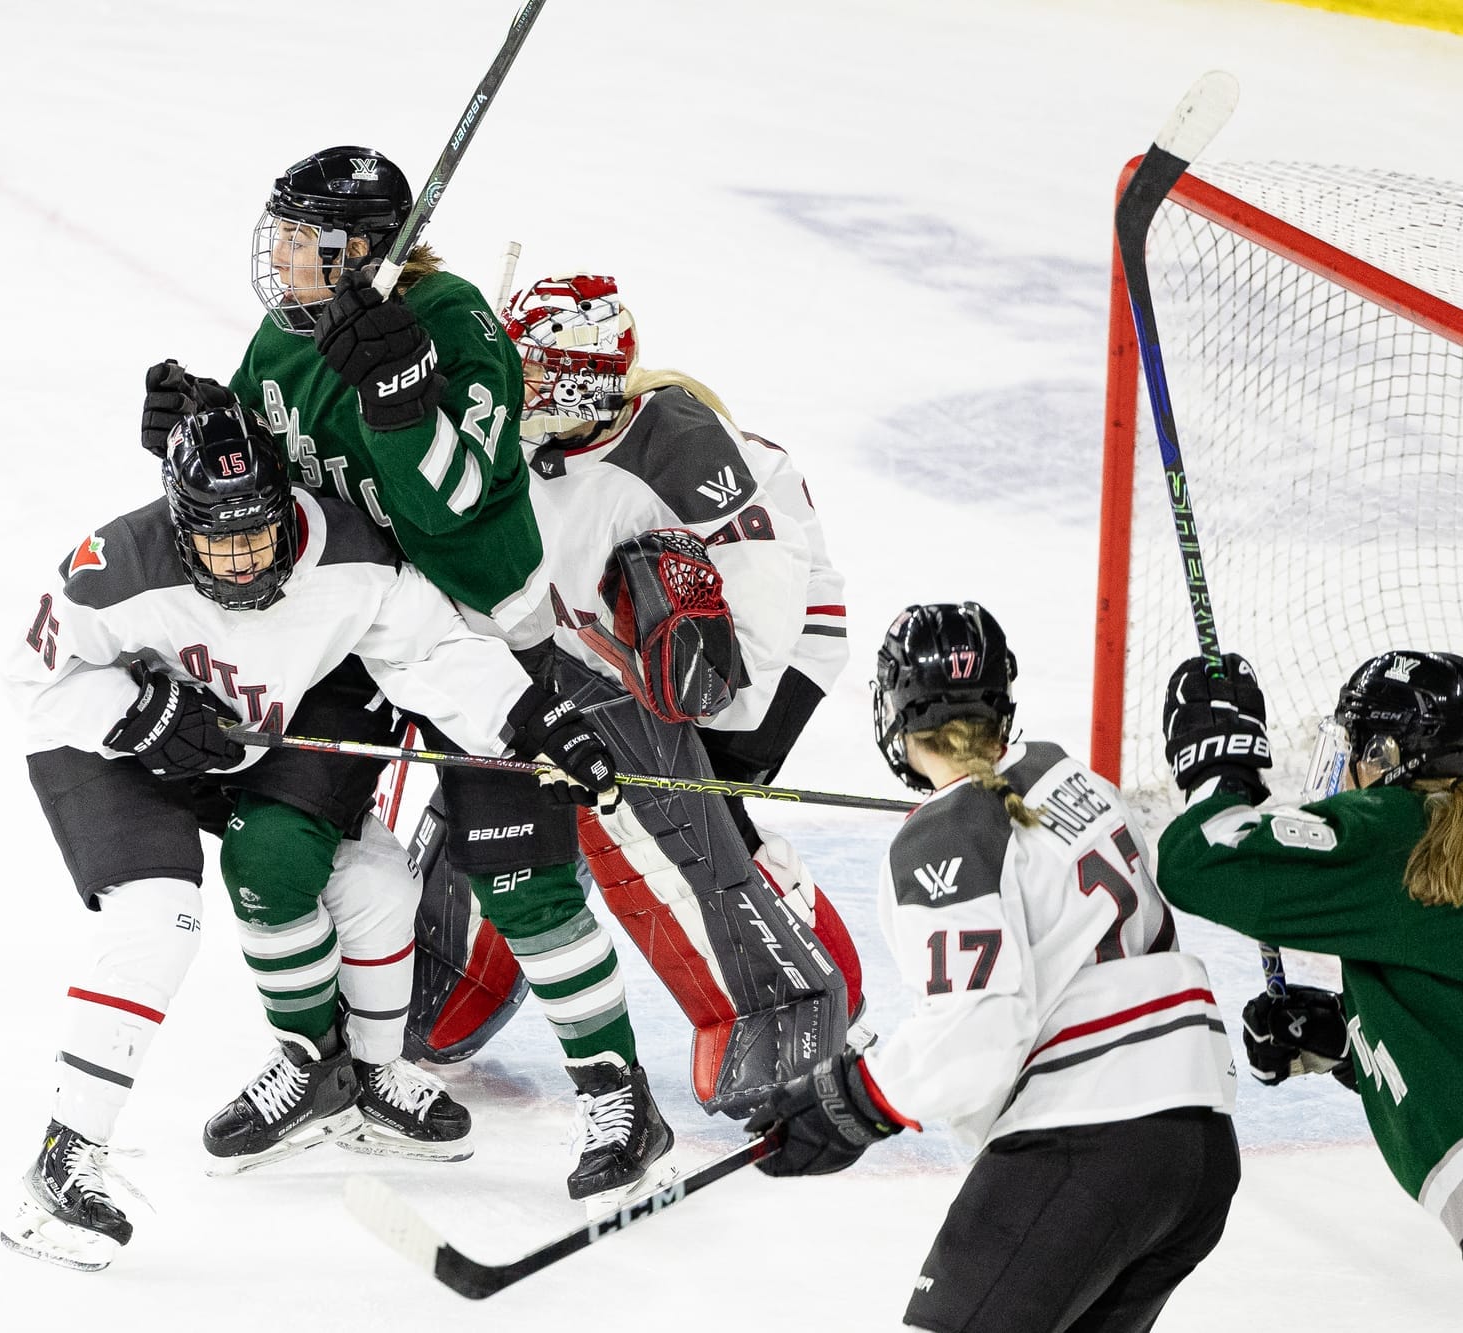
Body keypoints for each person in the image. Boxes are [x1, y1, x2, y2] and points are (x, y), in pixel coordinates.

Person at [141, 148, 673, 1206]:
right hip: (349, 630)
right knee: (273, 845)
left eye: (303, 238)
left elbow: (454, 502)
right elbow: (272, 495)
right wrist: (205, 432)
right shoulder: (283, 336)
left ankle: (617, 1088)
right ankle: (316, 1062)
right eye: (281, 232)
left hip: (478, 634)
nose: (280, 255)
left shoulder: (457, 325)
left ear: (360, 253)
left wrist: (397, 398)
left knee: (521, 878)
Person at [0, 405, 621, 1269]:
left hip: (235, 735)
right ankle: (63, 1160)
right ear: (182, 528)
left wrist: (532, 723)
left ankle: (362, 1084)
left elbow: (432, 652)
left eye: (261, 537)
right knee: (158, 920)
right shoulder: (119, 565)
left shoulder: (353, 558)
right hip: (105, 744)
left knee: (373, 887)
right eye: (222, 545)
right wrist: (136, 712)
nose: (247, 562)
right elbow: (34, 675)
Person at [404, 273, 864, 1115]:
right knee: (498, 759)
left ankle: (796, 992)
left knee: (686, 829)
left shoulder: (683, 460)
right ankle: (460, 960)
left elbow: (751, 647)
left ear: (583, 381)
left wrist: (666, 687)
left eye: (537, 371)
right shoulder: (533, 435)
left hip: (766, 664)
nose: (516, 382)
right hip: (598, 652)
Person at [750, 602, 1240, 1333]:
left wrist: (857, 1098)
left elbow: (978, 1027)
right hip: (1197, 1144)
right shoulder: (1071, 774)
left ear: (894, 712)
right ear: (1001, 699)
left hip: (1091, 1135)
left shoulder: (943, 837)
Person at [1154, 648, 1463, 1258]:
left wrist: (1220, 778)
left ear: (1386, 757)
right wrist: (1353, 1045)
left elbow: (1199, 862)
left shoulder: (1401, 831)